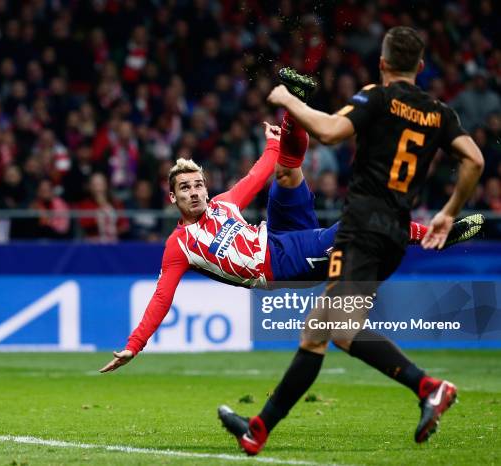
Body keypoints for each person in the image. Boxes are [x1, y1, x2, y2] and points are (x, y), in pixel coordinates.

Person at [218, 27, 484, 455]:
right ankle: (258, 430)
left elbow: (329, 131)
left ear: (382, 64)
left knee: (338, 330)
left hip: (361, 228)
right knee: (318, 331)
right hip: (393, 233)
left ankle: (428, 387)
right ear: (420, 66)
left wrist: (288, 100)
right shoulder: (440, 113)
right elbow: (474, 159)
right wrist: (449, 210)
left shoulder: (377, 96)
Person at [100, 112, 481, 373]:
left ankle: (293, 109)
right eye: (185, 188)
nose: (195, 192)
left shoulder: (222, 204)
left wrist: (272, 143)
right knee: (357, 222)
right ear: (173, 199)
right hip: (283, 266)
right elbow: (162, 297)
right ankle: (436, 234)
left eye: (198, 184)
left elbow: (256, 175)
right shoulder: (178, 245)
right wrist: (136, 343)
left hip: (280, 234)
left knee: (286, 170)